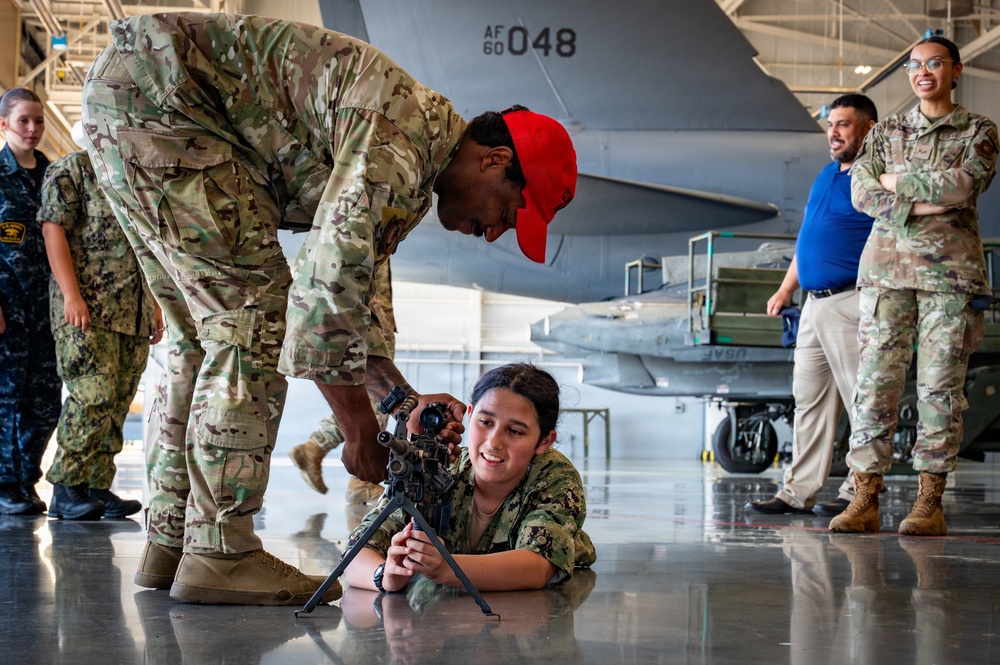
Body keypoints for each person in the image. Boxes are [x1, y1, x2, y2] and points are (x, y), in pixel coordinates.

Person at [82, 13, 577, 605]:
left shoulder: (415, 162)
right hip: (166, 106)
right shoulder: (402, 144)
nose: (497, 233)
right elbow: (321, 308)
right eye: (510, 211)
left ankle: (172, 540)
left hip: (138, 100)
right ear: (494, 161)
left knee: (200, 334)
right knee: (252, 317)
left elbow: (352, 313)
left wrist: (401, 400)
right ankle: (221, 552)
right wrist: (357, 433)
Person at [831, 36, 998, 536]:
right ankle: (865, 497)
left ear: (955, 69)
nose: (924, 72)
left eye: (935, 63)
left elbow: (962, 186)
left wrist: (896, 182)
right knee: (874, 387)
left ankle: (929, 501)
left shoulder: (979, 131)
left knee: (939, 388)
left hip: (949, 279)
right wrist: (918, 198)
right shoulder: (886, 131)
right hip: (886, 276)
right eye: (915, 65)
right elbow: (861, 189)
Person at [343, 363, 596, 593]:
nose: (494, 442)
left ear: (544, 441)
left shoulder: (553, 476)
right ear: (470, 414)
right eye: (485, 422)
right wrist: (384, 575)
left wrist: (446, 568)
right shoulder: (442, 468)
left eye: (515, 431)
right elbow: (356, 552)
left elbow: (537, 566)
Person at [747, 94, 877, 517]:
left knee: (862, 401)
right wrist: (786, 289)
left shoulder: (874, 176)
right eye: (831, 124)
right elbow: (808, 238)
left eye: (844, 124)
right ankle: (796, 492)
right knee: (809, 401)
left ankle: (859, 491)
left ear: (868, 129)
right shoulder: (825, 174)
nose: (833, 133)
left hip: (852, 301)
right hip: (813, 304)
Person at [38, 122, 164, 521]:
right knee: (91, 396)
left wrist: (154, 303)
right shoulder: (70, 171)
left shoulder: (129, 177)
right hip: (87, 308)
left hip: (131, 310)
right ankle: (66, 488)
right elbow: (52, 229)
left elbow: (146, 245)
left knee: (116, 401)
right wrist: (71, 295)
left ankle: (95, 485)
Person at [0, 88, 61, 516]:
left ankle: (26, 480)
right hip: (7, 308)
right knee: (6, 398)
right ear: (4, 124)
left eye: (37, 121)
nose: (33, 129)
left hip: (47, 310)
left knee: (45, 402)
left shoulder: (53, 177)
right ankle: (5, 485)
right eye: (24, 121)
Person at [289, 261, 394, 505]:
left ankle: (315, 447)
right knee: (380, 393)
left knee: (374, 394)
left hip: (369, 310)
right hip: (366, 313)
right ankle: (362, 481)